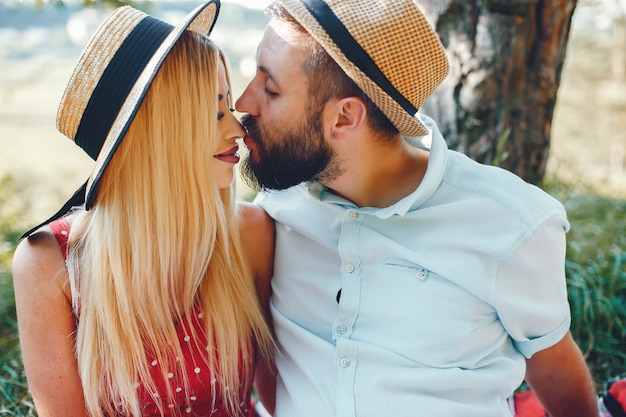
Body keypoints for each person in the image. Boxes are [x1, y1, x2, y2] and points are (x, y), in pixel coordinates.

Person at [234, 0, 599, 416]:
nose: (244, 101)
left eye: (270, 88)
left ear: (344, 119)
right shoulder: (277, 209)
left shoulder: (509, 223)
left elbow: (552, 363)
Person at [12, 1, 274, 416]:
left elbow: (282, 401)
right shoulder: (48, 262)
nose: (236, 129)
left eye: (228, 105)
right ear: (156, 131)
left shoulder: (251, 234)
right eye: (213, 111)